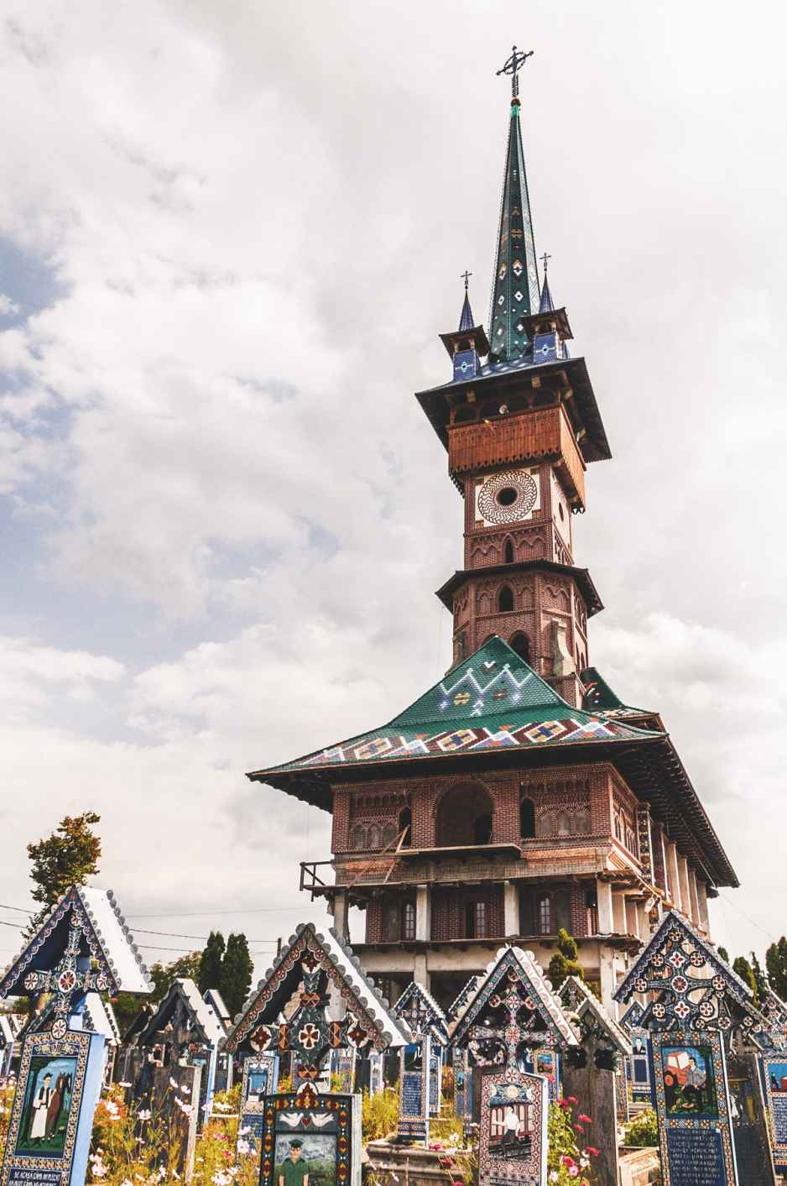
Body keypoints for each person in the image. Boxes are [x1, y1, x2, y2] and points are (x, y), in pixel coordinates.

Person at [29, 1072, 52, 1143]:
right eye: (47, 1080)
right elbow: (35, 1099)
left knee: (42, 1122)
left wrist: (47, 1103)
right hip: (39, 1108)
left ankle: (41, 1136)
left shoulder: (50, 1090)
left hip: (45, 1108)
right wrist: (39, 1101)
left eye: (49, 1080)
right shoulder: (40, 1090)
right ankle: (34, 1135)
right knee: (37, 1121)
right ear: (44, 1080)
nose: (48, 1081)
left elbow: (50, 1100)